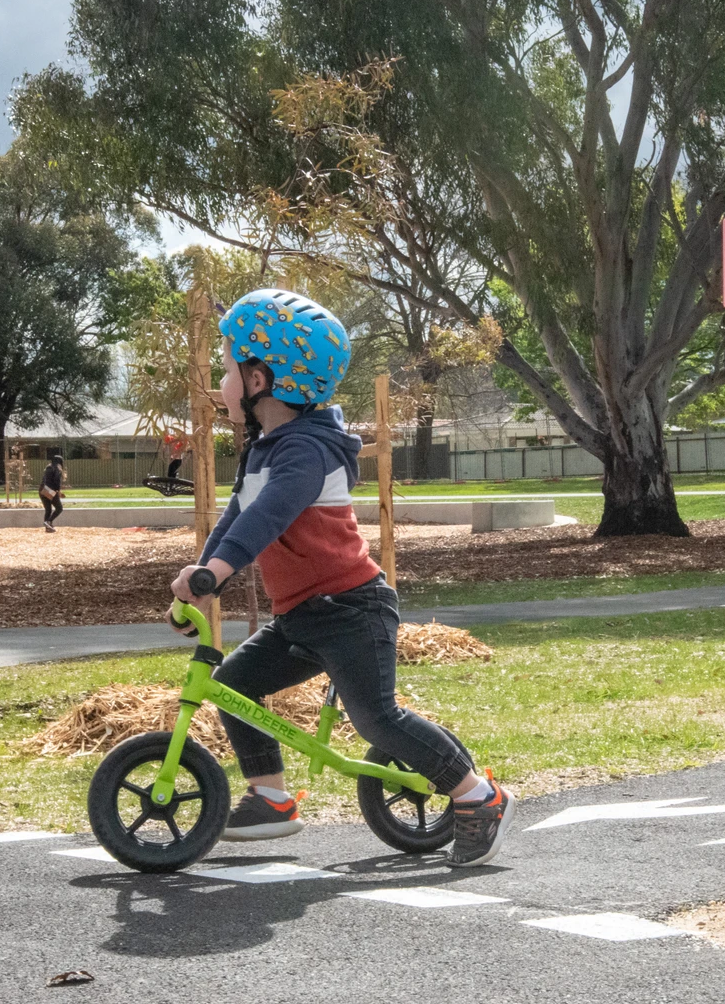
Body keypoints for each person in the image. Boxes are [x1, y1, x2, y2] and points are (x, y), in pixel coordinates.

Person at [169, 289, 510, 864]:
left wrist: (216, 574)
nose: (219, 385)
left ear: (259, 380)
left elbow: (271, 513)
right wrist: (205, 578)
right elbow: (237, 517)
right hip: (302, 615)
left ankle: (479, 796)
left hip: (352, 609)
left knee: (376, 720)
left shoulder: (307, 451)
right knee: (233, 685)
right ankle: (271, 798)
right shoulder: (266, 447)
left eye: (226, 371)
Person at [39, 454, 66, 532]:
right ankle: (48, 522)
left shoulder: (48, 467)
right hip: (50, 490)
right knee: (59, 508)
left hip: (42, 489)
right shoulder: (57, 468)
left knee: (48, 509)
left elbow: (46, 480)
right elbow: (56, 481)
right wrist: (58, 491)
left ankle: (48, 527)